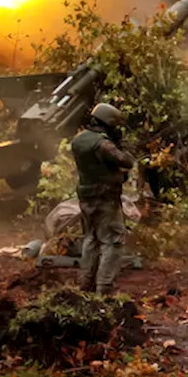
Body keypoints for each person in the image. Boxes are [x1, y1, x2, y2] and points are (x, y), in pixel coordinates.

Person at [69, 101, 135, 295]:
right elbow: (126, 161)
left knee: (91, 240)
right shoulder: (103, 143)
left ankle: (86, 286)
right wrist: (122, 145)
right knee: (112, 241)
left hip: (86, 198)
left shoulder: (79, 140)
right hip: (105, 198)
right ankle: (104, 289)